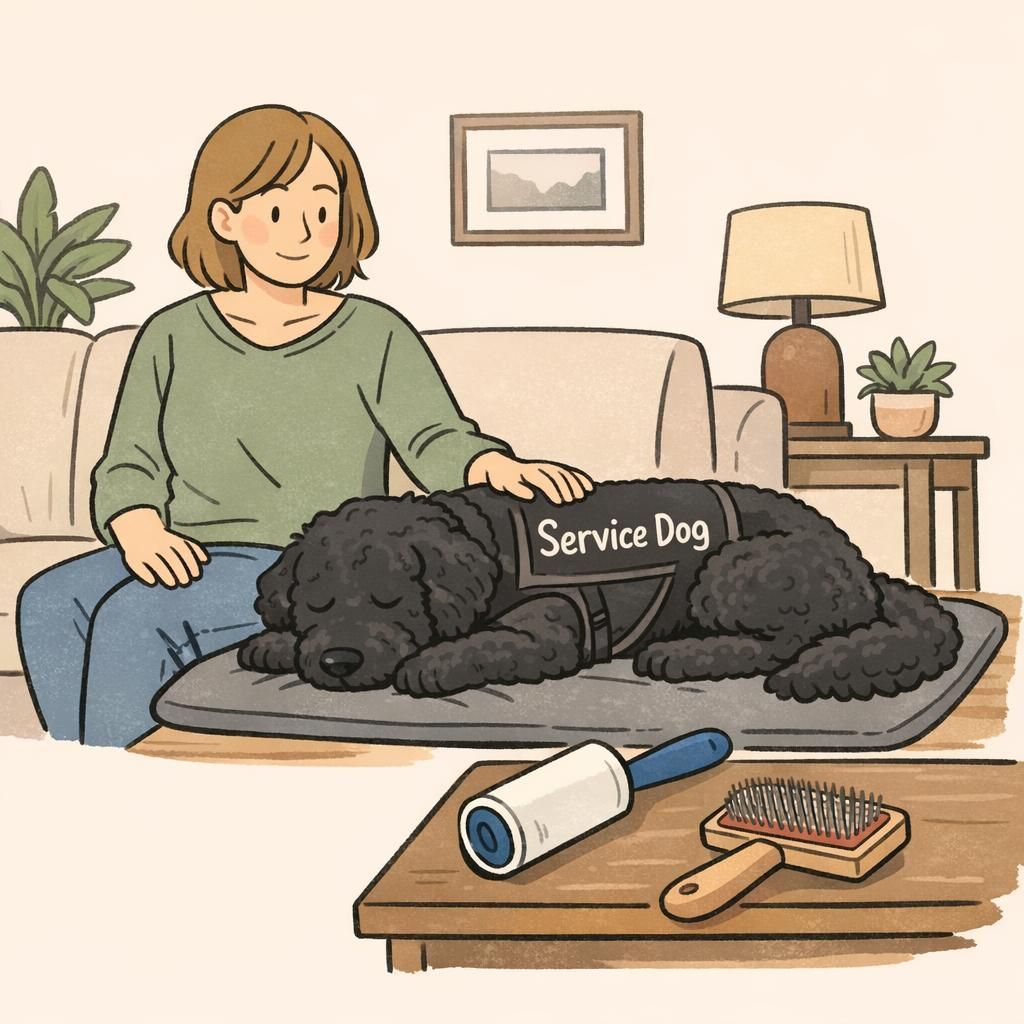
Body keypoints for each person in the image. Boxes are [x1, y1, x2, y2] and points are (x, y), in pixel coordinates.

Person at [16, 105, 594, 748]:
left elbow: (437, 438)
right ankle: (84, 775)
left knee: (134, 621)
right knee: (48, 601)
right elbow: (130, 461)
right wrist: (137, 523)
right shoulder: (170, 334)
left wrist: (496, 466)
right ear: (224, 218)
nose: (303, 232)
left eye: (322, 210)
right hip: (186, 549)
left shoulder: (376, 332)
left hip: (307, 565)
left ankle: (122, 798)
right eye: (277, 211)